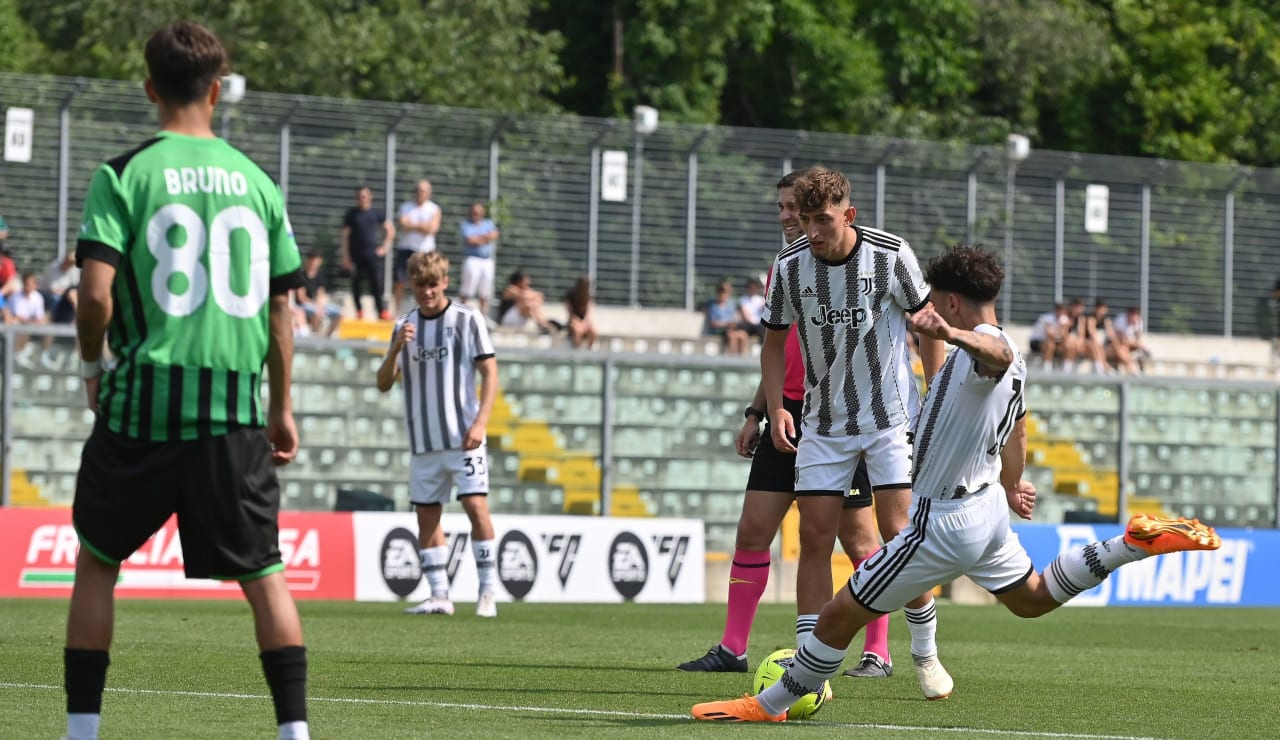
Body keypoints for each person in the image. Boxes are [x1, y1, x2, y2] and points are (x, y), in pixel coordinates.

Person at [690, 244, 1222, 722]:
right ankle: (1129, 544)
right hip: (986, 509)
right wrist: (1014, 485)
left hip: (942, 519)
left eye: (935, 304)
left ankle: (768, 705)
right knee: (1032, 597)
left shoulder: (983, 351)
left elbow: (997, 357)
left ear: (949, 302)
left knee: (838, 614)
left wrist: (948, 335)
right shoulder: (1005, 353)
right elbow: (1016, 423)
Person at [65, 21, 309, 740]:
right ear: (216, 88)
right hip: (231, 414)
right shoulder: (258, 182)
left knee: (97, 564)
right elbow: (280, 313)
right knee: (264, 574)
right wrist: (282, 409)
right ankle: (294, 734)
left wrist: (91, 367)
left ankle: (81, 735)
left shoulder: (123, 174)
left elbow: (96, 296)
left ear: (149, 89)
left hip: (141, 409)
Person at [677, 170, 896, 681]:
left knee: (858, 540)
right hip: (788, 411)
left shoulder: (854, 263)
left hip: (845, 416)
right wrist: (760, 410)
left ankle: (878, 651)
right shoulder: (787, 268)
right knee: (753, 529)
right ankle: (733, 648)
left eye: (794, 207)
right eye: (780, 208)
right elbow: (778, 351)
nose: (786, 217)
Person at [745, 167, 951, 699]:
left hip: (888, 420)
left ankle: (925, 653)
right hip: (823, 423)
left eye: (823, 219)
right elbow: (772, 343)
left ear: (848, 214)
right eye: (806, 219)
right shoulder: (789, 267)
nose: (812, 230)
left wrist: (935, 396)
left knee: (900, 535)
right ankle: (809, 668)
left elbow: (927, 325)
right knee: (814, 536)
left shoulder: (890, 254)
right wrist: (773, 405)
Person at [376, 251, 500, 618]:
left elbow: (490, 374)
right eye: (420, 285)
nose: (427, 292)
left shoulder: (467, 319)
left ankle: (488, 592)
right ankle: (439, 595)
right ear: (412, 284)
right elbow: (383, 383)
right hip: (423, 442)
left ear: (444, 282)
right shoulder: (404, 325)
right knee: (427, 517)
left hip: (464, 437)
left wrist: (480, 423)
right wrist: (395, 348)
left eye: (433, 284)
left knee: (476, 507)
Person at [341, 185, 395, 320]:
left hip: (372, 255)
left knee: (376, 283)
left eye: (364, 196)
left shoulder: (376, 213)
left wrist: (385, 247)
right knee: (356, 284)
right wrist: (346, 256)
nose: (362, 198)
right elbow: (345, 236)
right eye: (359, 196)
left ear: (370, 197)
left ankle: (381, 311)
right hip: (356, 255)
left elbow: (390, 229)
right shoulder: (351, 214)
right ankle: (359, 310)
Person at [393, 179, 442, 313]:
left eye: (423, 191)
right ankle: (397, 313)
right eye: (418, 190)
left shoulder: (434, 208)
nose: (420, 193)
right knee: (400, 281)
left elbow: (432, 228)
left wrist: (413, 225)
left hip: (425, 252)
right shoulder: (406, 207)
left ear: (429, 193)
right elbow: (403, 225)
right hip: (405, 249)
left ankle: (424, 311)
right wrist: (422, 225)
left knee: (424, 283)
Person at [459, 203, 499, 319]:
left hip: (486, 260)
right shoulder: (466, 224)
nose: (475, 214)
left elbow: (495, 235)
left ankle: (483, 316)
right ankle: (461, 313)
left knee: (485, 290)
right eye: (473, 212)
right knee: (467, 288)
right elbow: (471, 241)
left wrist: (479, 238)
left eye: (478, 212)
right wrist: (486, 237)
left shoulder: (488, 223)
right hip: (472, 259)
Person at [296, 251, 343, 337]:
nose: (314, 263)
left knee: (340, 313)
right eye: (312, 260)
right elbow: (301, 297)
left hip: (316, 305)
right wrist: (315, 305)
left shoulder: (320, 276)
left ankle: (327, 336)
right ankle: (314, 336)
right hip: (303, 305)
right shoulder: (301, 276)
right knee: (317, 313)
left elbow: (321, 294)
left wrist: (319, 304)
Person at [497, 269, 559, 333]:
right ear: (519, 280)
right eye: (526, 279)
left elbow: (540, 296)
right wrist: (533, 296)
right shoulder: (510, 289)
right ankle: (542, 323)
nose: (528, 282)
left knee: (532, 304)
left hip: (521, 319)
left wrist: (533, 298)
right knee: (527, 304)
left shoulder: (526, 291)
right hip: (508, 319)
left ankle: (543, 323)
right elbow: (524, 297)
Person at [704, 281, 750, 356]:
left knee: (743, 335)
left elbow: (737, 317)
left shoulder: (731, 304)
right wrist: (726, 324)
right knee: (732, 336)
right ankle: (732, 358)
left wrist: (734, 322)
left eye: (725, 292)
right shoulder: (713, 306)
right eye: (721, 292)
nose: (723, 295)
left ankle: (742, 358)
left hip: (731, 329)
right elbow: (713, 323)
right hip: (720, 330)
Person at [1110, 305, 1150, 373]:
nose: (1135, 319)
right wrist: (1139, 346)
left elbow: (1138, 339)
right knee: (1124, 350)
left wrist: (1139, 346)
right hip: (1115, 345)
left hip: (1128, 345)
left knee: (1141, 353)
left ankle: (1140, 370)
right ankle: (1130, 372)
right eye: (1133, 316)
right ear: (1129, 315)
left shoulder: (1139, 321)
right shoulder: (1121, 320)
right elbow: (1121, 340)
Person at [1027, 303, 1066, 368]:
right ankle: (1047, 368)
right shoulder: (1047, 318)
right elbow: (1050, 334)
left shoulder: (1063, 319)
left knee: (1068, 346)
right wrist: (1061, 331)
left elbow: (1064, 335)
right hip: (1036, 341)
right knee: (1050, 345)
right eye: (1059, 310)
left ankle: (1066, 369)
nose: (1060, 312)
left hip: (1053, 342)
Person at [563, 276, 598, 349]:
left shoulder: (588, 297)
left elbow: (587, 315)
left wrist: (584, 324)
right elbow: (571, 314)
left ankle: (590, 350)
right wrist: (579, 324)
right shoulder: (570, 296)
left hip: (584, 321)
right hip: (573, 320)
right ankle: (577, 350)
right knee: (577, 330)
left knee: (593, 332)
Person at [735, 277, 767, 345]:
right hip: (748, 324)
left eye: (755, 287)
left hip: (759, 325)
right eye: (751, 286)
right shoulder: (743, 299)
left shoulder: (761, 300)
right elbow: (745, 316)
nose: (753, 288)